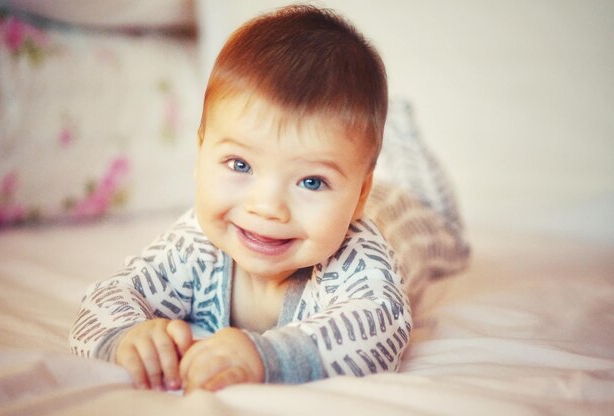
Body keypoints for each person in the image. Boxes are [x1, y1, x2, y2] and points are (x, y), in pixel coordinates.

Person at [69, 4, 412, 393]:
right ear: (200, 156)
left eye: (312, 182)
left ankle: (403, 134)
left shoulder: (357, 262)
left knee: (420, 204)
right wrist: (127, 338)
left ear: (359, 194)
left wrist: (264, 357)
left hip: (407, 223)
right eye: (240, 164)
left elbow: (379, 330)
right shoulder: (195, 244)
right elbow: (108, 296)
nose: (266, 208)